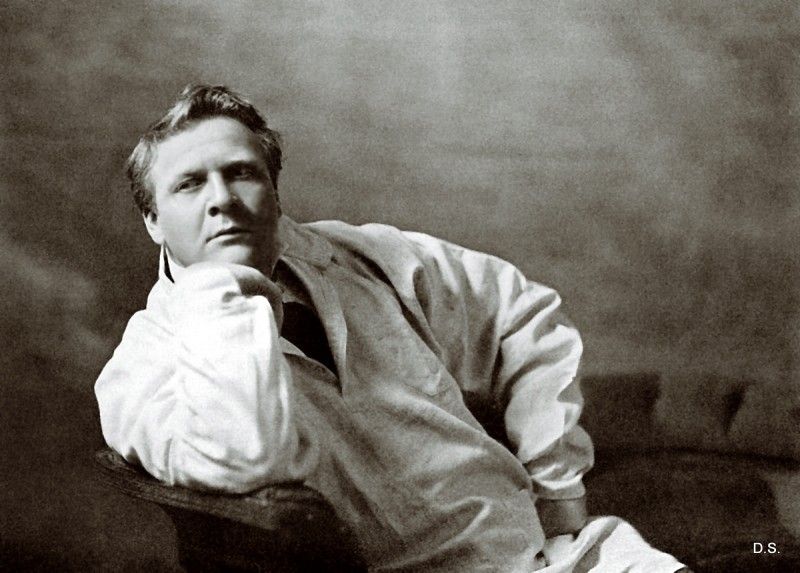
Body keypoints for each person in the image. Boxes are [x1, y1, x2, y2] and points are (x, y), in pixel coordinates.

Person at [95, 84, 687, 572]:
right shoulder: (142, 368)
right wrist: (220, 287)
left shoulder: (361, 256)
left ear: (274, 192)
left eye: (241, 173)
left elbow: (524, 312)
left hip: (558, 557)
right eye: (189, 184)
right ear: (153, 221)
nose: (222, 199)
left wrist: (557, 491)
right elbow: (244, 454)